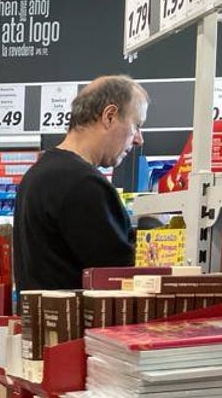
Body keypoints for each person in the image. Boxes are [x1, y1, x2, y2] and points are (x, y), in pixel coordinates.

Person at [14, 75, 147, 290]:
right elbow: (118, 274)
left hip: (46, 319)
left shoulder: (38, 173)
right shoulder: (82, 182)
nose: (139, 139)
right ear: (110, 116)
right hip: (80, 322)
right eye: (137, 125)